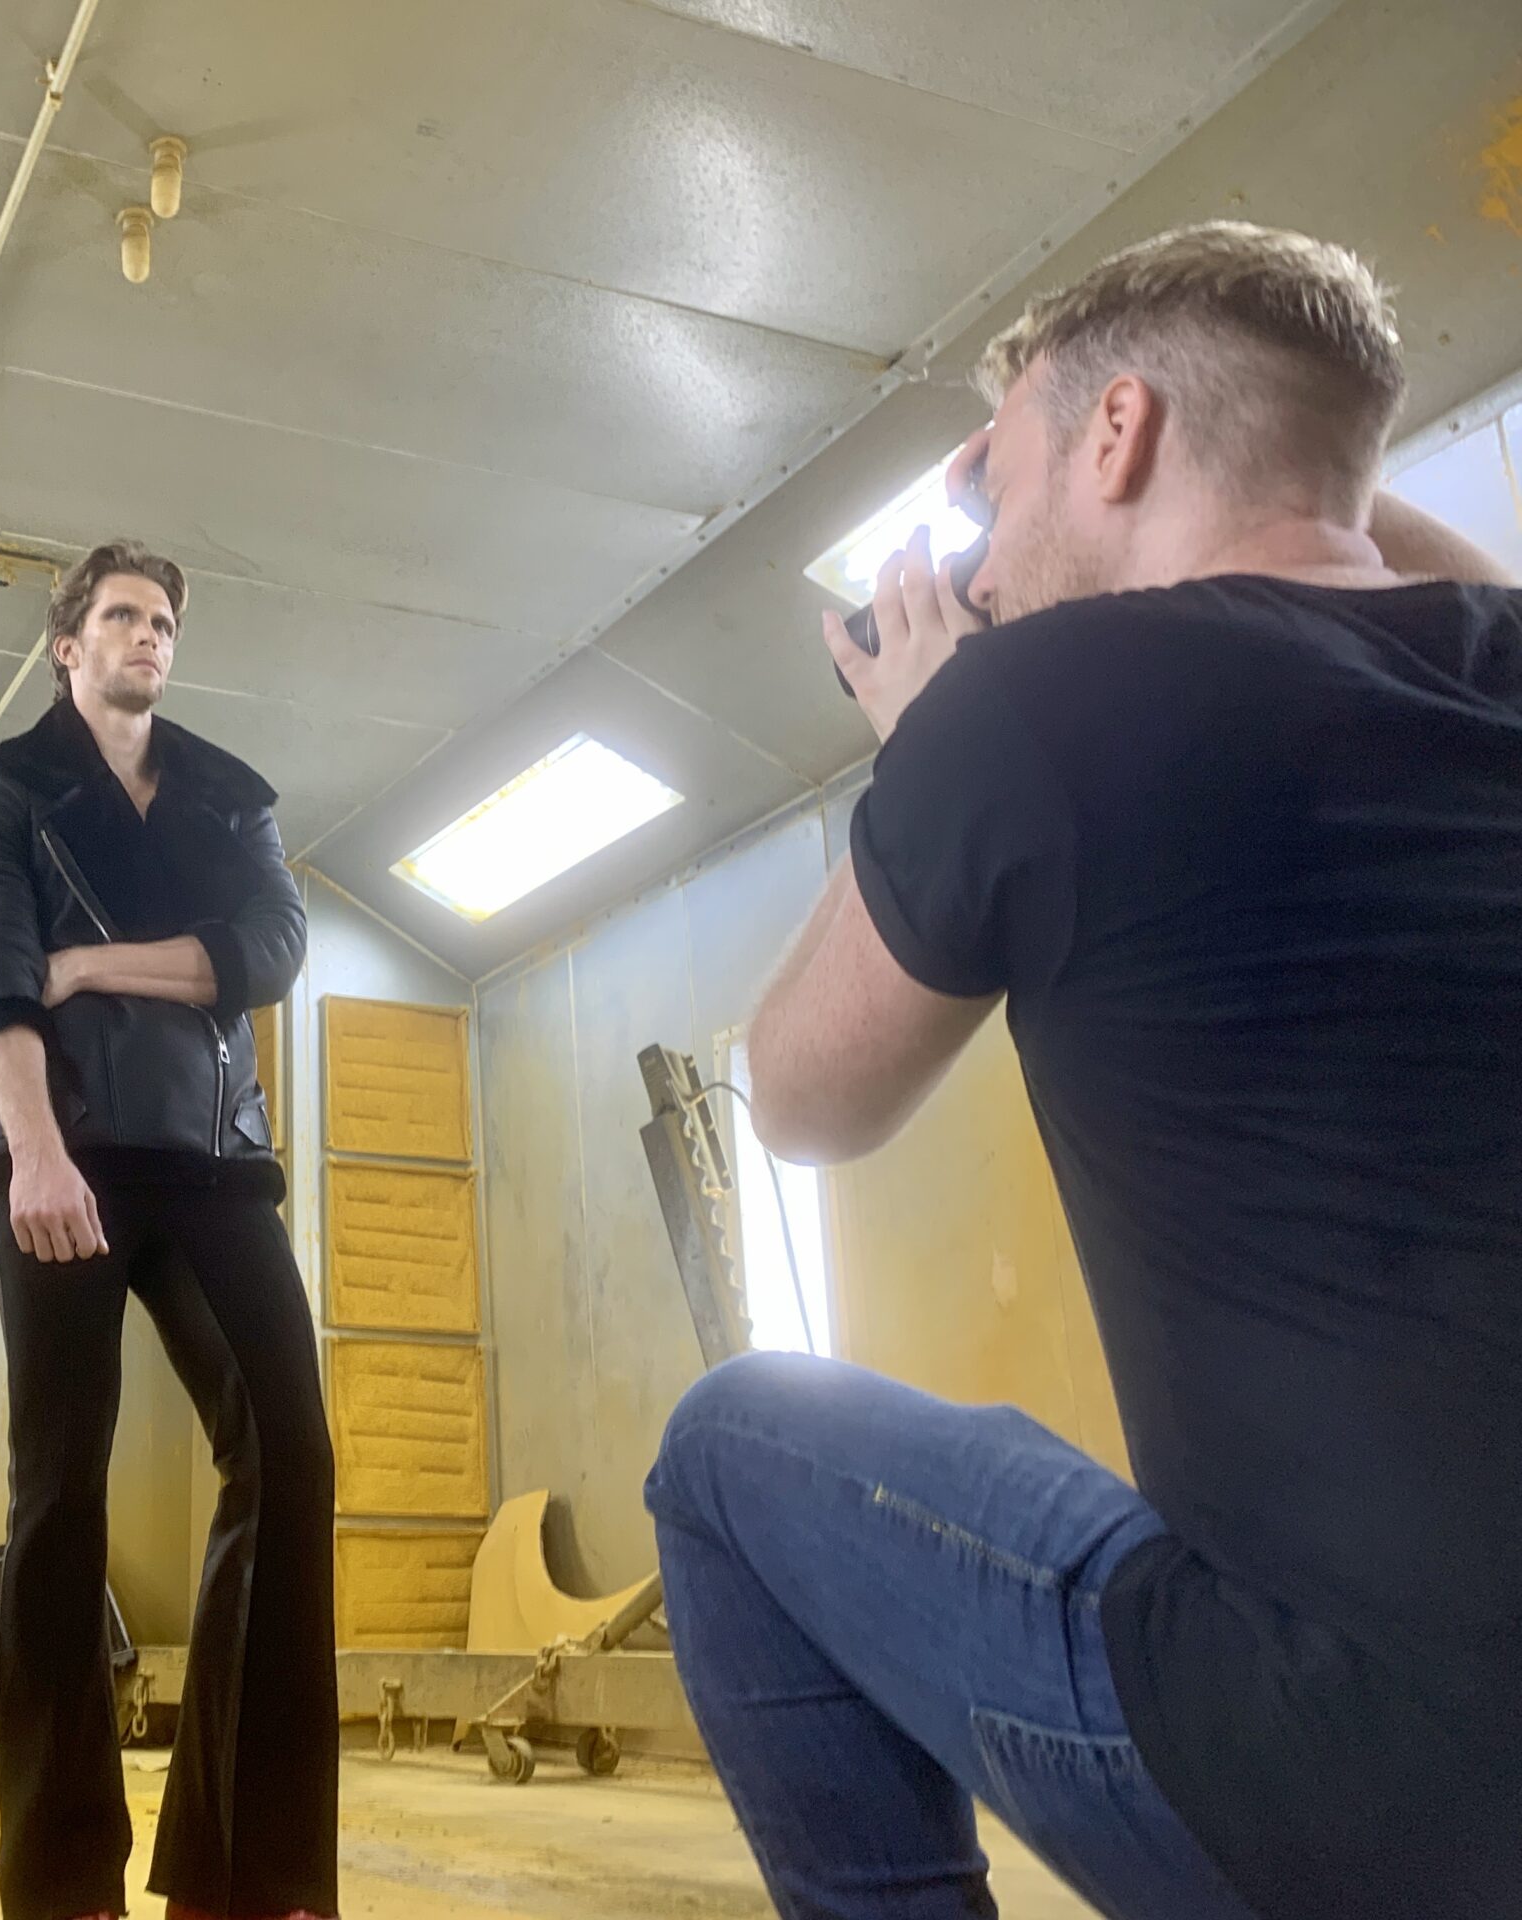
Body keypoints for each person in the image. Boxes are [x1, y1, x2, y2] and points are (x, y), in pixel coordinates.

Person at [645, 222, 1522, 1919]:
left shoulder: (1026, 706)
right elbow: (1369, 545)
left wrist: (931, 747)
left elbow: (802, 1100)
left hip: (1352, 1785)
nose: (993, 525)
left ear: (1118, 432)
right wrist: (1286, 447)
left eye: (1010, 464)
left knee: (734, 1445)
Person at [0, 540, 336, 1920]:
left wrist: (94, 962)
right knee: (60, 1492)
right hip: (68, 1153)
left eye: (164, 619)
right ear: (69, 645)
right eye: (121, 615)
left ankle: (250, 1872)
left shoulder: (231, 795)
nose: (148, 634)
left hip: (217, 1163)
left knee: (290, 1457)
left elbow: (271, 953)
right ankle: (64, 1882)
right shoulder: (4, 787)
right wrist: (35, 1153)